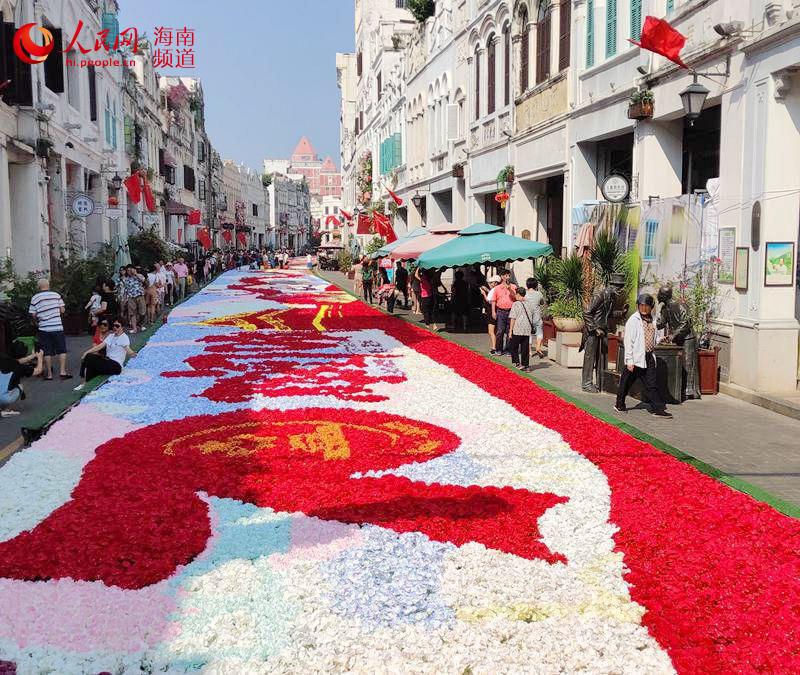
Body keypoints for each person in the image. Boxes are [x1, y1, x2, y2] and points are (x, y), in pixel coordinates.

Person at [615, 293, 673, 419]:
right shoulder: (633, 320)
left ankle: (657, 408)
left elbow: (653, 337)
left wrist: (660, 339)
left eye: (646, 306)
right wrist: (629, 360)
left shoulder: (653, 319)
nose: (644, 308)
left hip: (648, 357)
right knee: (626, 382)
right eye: (641, 305)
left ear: (651, 307)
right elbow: (628, 341)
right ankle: (619, 404)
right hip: (635, 358)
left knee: (651, 384)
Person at [75, 318, 137, 392]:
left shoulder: (124, 337)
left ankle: (85, 383)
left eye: (117, 326)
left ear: (122, 327)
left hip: (116, 365)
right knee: (90, 360)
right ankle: (86, 384)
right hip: (108, 361)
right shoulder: (111, 336)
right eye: (114, 325)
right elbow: (100, 346)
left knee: (89, 358)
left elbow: (127, 348)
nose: (115, 327)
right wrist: (86, 352)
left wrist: (132, 353)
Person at [28, 278, 71, 380]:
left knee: (46, 351)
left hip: (44, 328)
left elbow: (33, 314)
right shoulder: (56, 295)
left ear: (39, 287)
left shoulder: (35, 298)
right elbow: (62, 310)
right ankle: (63, 372)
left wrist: (39, 319)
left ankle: (49, 375)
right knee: (62, 350)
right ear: (48, 285)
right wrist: (55, 314)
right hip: (57, 326)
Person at [508, 287, 538, 372]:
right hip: (527, 329)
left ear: (517, 294)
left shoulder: (516, 304)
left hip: (517, 328)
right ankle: (526, 366)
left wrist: (510, 330)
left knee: (514, 346)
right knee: (525, 348)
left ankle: (517, 363)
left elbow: (513, 318)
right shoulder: (530, 304)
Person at [491, 270, 516, 356]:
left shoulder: (513, 286)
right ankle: (499, 349)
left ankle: (508, 349)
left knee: (510, 331)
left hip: (511, 311)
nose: (507, 277)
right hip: (501, 311)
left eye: (508, 275)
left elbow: (515, 297)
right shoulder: (497, 288)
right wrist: (493, 312)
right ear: (502, 277)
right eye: (505, 275)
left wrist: (509, 289)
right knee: (500, 331)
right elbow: (493, 300)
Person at [525, 277, 546, 358]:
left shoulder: (525, 294)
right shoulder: (539, 294)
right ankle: (538, 347)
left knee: (529, 334)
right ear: (536, 285)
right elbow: (542, 302)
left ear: (527, 285)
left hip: (527, 317)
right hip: (537, 317)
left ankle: (529, 352)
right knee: (539, 332)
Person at [122, 266, 146, 333]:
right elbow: (125, 289)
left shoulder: (139, 275)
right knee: (132, 313)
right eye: (128, 271)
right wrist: (124, 298)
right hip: (131, 297)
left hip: (140, 295)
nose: (129, 272)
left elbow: (143, 280)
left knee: (142, 312)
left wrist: (135, 274)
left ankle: (140, 324)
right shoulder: (126, 279)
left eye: (130, 270)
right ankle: (134, 328)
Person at [480, 275, 500, 353]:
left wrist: (483, 293)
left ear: (495, 283)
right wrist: (487, 290)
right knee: (497, 330)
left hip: (492, 311)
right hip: (497, 310)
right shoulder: (497, 289)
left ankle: (494, 347)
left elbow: (489, 300)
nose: (489, 284)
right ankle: (497, 346)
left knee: (491, 331)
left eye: (491, 282)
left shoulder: (493, 290)